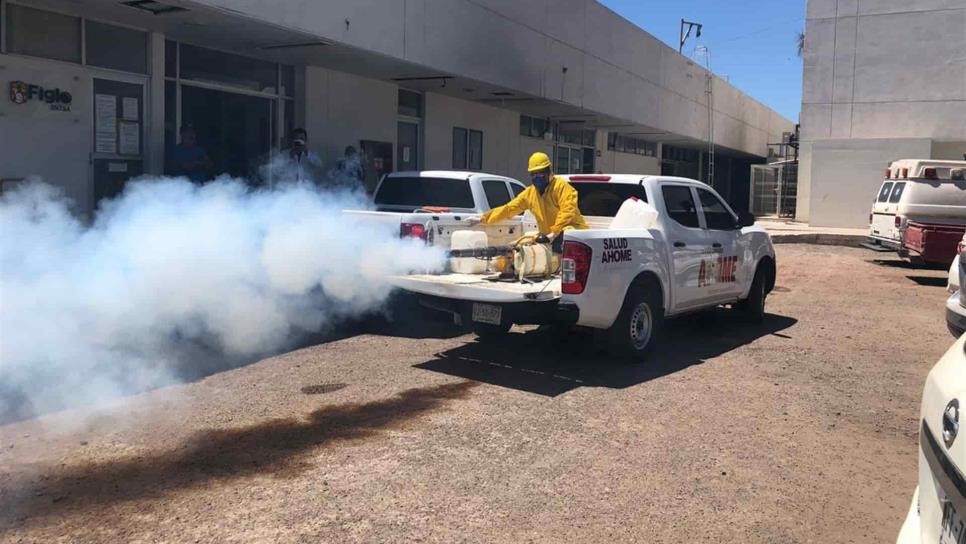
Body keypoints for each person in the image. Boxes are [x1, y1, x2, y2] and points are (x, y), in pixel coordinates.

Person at [470, 152, 588, 251]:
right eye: (534, 174)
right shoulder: (530, 193)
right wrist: (483, 218)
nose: (537, 177)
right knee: (522, 246)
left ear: (548, 172)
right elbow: (509, 209)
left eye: (541, 172)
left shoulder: (561, 187)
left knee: (566, 237)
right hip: (548, 237)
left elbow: (567, 211)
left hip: (575, 236)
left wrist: (554, 233)